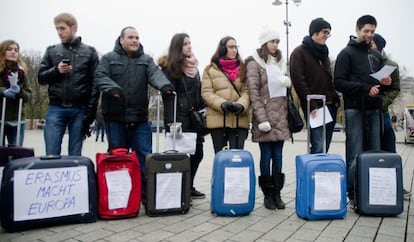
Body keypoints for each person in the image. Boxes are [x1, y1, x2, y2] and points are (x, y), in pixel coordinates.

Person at [94, 26, 174, 201]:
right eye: (130, 37)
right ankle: (119, 197)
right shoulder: (108, 58)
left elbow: (155, 74)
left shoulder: (146, 60)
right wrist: (112, 88)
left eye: (137, 37)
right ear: (121, 40)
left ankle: (145, 195)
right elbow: (99, 76)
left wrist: (164, 85)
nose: (134, 41)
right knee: (118, 158)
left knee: (145, 158)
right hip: (115, 118)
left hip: (139, 119)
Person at [334, 15, 388, 204]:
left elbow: (380, 81)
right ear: (357, 30)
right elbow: (338, 83)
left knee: (374, 153)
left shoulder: (376, 55)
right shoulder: (346, 53)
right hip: (354, 109)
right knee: (355, 154)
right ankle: (353, 193)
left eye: (372, 32)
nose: (369, 35)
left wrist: (385, 84)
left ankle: (372, 193)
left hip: (374, 109)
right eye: (366, 31)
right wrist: (365, 88)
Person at [38, 13, 99, 156]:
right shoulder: (51, 50)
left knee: (75, 155)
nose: (59, 32)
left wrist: (90, 111)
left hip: (79, 110)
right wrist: (56, 70)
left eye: (62, 28)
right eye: (57, 29)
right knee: (51, 154)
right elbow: (41, 78)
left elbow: (96, 84)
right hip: (55, 108)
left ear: (74, 28)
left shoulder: (90, 52)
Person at [245, 27, 291, 210]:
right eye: (272, 41)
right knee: (266, 156)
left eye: (278, 41)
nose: (275, 45)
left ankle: (277, 193)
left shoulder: (280, 62)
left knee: (278, 157)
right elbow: (254, 93)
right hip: (264, 118)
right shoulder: (254, 63)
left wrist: (288, 82)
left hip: (280, 116)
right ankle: (267, 195)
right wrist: (261, 119)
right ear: (264, 43)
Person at [158, 33, 206, 199]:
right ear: (178, 47)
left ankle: (189, 185)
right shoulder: (170, 68)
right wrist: (172, 122)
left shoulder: (194, 67)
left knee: (197, 153)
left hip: (194, 118)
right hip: (178, 118)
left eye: (190, 43)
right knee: (180, 155)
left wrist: (204, 107)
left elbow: (198, 91)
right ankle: (180, 189)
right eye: (185, 43)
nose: (189, 46)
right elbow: (168, 96)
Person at [290, 18, 340, 154]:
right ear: (314, 32)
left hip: (330, 104)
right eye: (324, 32)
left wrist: (336, 100)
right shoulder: (299, 53)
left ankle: (322, 172)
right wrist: (311, 105)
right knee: (318, 145)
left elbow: (328, 79)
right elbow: (299, 81)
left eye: (328, 33)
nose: (326, 36)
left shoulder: (324, 53)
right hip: (316, 106)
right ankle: (314, 173)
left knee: (326, 146)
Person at [372, 33, 411, 198]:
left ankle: (396, 186)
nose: (369, 46)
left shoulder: (391, 65)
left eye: (372, 44)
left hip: (382, 112)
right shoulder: (364, 61)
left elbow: (395, 88)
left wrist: (382, 102)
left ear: (379, 47)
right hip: (365, 112)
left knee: (389, 148)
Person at [201, 36, 250, 154]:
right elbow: (206, 92)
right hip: (218, 120)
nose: (234, 50)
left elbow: (247, 91)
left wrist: (241, 105)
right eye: (231, 47)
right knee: (221, 157)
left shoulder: (243, 69)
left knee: (237, 158)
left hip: (239, 120)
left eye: (236, 47)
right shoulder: (209, 70)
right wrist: (221, 104)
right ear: (223, 49)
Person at [0, 40, 32, 146]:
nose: (13, 52)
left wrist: (19, 91)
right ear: (3, 51)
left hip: (17, 118)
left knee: (16, 151)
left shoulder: (22, 73)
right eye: (9, 49)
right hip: (0, 115)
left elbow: (28, 95)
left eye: (16, 50)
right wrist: (3, 91)